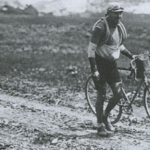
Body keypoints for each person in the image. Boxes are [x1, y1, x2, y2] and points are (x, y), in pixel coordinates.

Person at [88, 5, 135, 137]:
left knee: (118, 93)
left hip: (111, 64)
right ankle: (99, 125)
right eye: (116, 14)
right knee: (101, 95)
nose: (119, 16)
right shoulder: (101, 27)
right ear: (108, 14)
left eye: (121, 14)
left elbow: (119, 45)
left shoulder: (119, 27)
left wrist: (132, 56)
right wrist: (94, 70)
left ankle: (105, 116)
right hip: (100, 63)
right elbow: (91, 49)